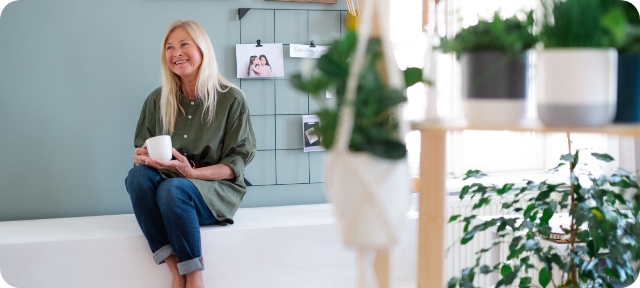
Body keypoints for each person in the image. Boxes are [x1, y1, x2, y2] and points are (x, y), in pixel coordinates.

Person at [125, 20, 256, 288]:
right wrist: (140, 157)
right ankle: (175, 270)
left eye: (184, 44)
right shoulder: (156, 100)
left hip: (213, 188)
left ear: (202, 49)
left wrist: (192, 173)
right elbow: (142, 147)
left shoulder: (231, 99)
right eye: (170, 47)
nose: (176, 52)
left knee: (174, 189)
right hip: (168, 185)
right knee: (137, 177)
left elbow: (237, 161)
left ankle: (195, 277)